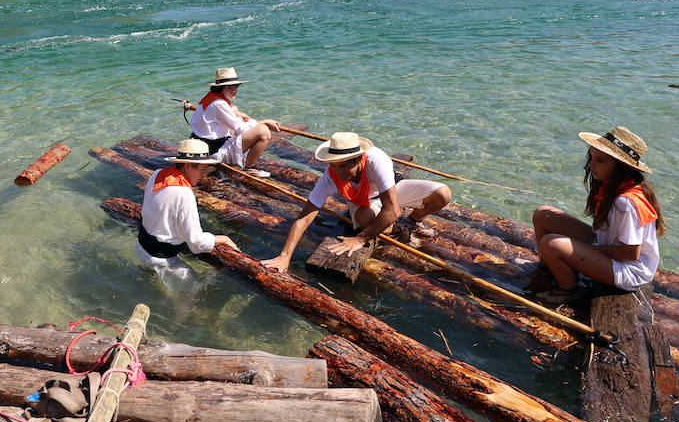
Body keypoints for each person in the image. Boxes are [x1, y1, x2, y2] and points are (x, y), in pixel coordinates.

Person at [262, 132, 450, 272]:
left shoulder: (377, 161)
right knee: (364, 217)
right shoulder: (331, 175)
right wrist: (284, 256)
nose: (338, 172)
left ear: (359, 159)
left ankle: (414, 220)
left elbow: (392, 211)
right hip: (363, 202)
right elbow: (304, 217)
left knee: (443, 194)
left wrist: (360, 239)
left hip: (389, 192)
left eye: (344, 165)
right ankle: (401, 230)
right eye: (334, 165)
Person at [530, 127, 664, 294]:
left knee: (552, 243)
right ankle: (548, 267)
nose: (591, 164)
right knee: (543, 214)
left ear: (620, 167)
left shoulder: (626, 203)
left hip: (628, 270)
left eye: (600, 160)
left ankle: (566, 292)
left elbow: (630, 254)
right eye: (591, 158)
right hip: (606, 246)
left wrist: (587, 250)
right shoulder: (611, 185)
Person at [135, 139, 238, 279]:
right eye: (203, 169)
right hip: (161, 259)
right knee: (196, 290)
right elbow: (196, 243)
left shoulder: (158, 174)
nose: (204, 175)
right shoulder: (184, 193)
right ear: (188, 166)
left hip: (141, 247)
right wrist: (224, 239)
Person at [188, 67, 280, 177]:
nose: (234, 90)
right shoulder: (219, 104)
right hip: (215, 153)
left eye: (236, 86)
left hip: (205, 147)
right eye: (230, 87)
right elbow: (242, 129)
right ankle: (249, 168)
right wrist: (265, 122)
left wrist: (235, 111)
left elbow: (230, 111)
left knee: (252, 126)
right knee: (263, 132)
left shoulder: (211, 98)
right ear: (221, 88)